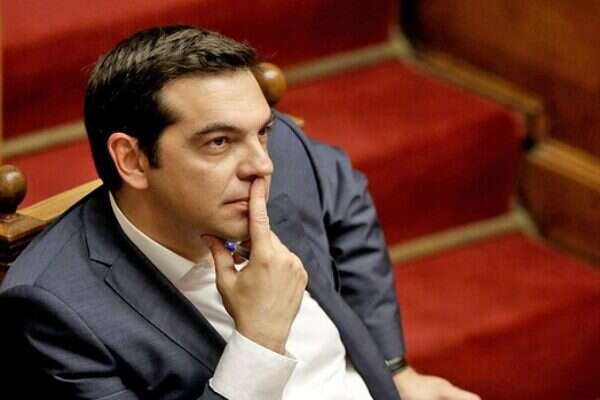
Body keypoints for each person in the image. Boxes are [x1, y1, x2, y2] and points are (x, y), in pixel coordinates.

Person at [0, 25, 479, 400]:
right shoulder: (55, 310)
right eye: (218, 142)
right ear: (133, 159)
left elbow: (347, 199)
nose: (261, 165)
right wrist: (258, 341)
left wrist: (396, 369)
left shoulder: (275, 154)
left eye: (262, 131)